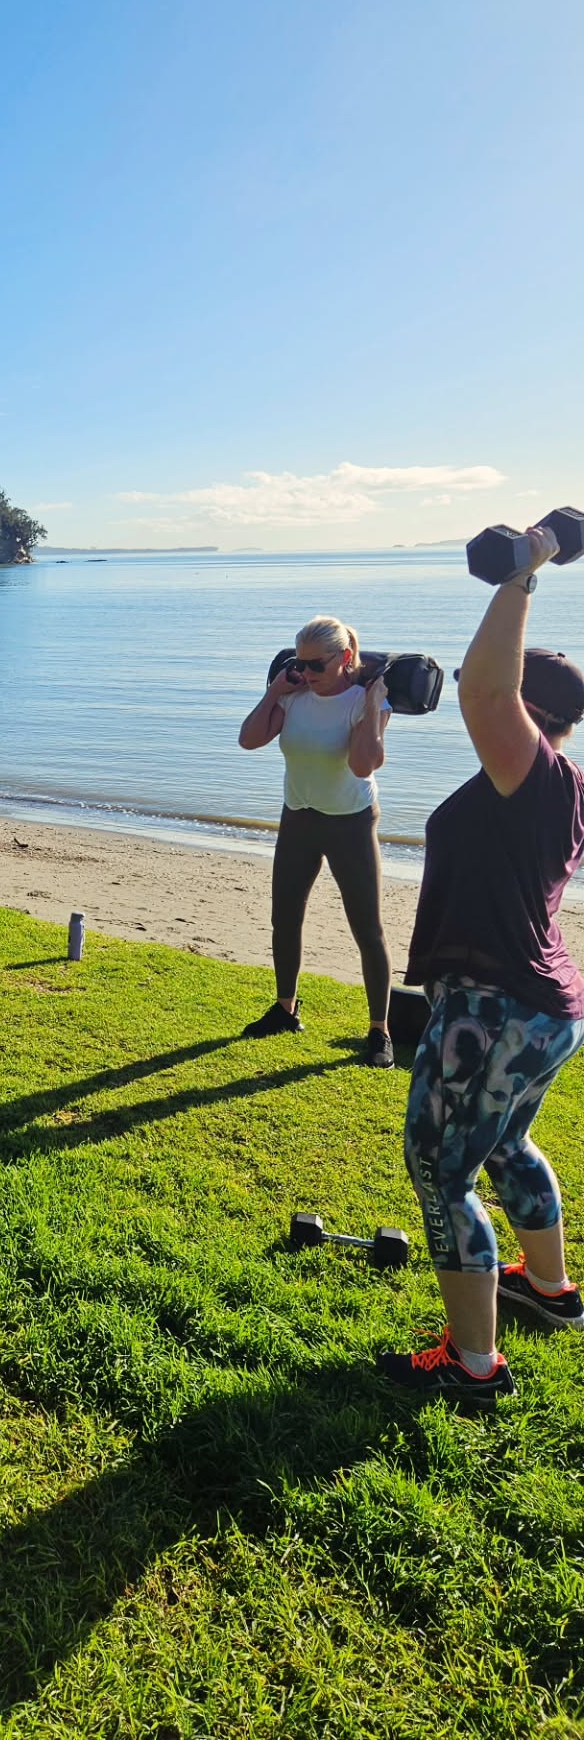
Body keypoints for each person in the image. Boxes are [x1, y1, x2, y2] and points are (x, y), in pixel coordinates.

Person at [379, 526, 584, 1404]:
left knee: (440, 1171)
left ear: (528, 715)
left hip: (493, 1013)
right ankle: (548, 1291)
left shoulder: (531, 773)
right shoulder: (554, 780)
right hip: (542, 1008)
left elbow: (491, 691)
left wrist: (525, 571)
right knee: (507, 1148)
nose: (467, 687)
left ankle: (471, 1366)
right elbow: (485, 690)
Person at [237, 616, 394, 1066]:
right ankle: (286, 1009)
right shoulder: (294, 696)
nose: (304, 672)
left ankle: (379, 1031)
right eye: (297, 662)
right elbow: (249, 740)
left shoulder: (365, 701)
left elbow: (365, 766)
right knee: (284, 917)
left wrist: (373, 709)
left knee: (368, 928)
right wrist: (274, 691)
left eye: (314, 664)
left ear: (345, 658)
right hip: (299, 817)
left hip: (350, 821)